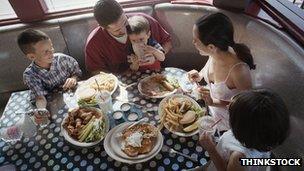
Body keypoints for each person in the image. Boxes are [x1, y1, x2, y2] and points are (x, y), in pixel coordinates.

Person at [188, 12, 256, 131]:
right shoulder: (215, 53)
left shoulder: (239, 71)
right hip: (210, 113)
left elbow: (246, 108)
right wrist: (199, 75)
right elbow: (207, 70)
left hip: (228, 125)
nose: (193, 43)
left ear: (211, 47)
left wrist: (213, 101)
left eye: (195, 40)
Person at [198, 89, 290, 171]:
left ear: (241, 127)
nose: (227, 106)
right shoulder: (264, 137)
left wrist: (211, 149)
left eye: (231, 114)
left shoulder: (238, 157)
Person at [85, 0, 172, 74]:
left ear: (123, 11)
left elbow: (167, 42)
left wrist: (155, 56)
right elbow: (96, 71)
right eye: (117, 30)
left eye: (125, 22)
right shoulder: (94, 43)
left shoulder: (143, 22)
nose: (125, 30)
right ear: (102, 27)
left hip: (154, 75)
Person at [17, 29, 82, 117]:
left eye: (51, 47)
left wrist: (73, 78)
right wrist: (41, 110)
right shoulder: (30, 75)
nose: (51, 52)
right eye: (45, 52)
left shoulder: (63, 59)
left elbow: (77, 72)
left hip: (71, 99)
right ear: (32, 56)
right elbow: (40, 98)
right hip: (50, 105)